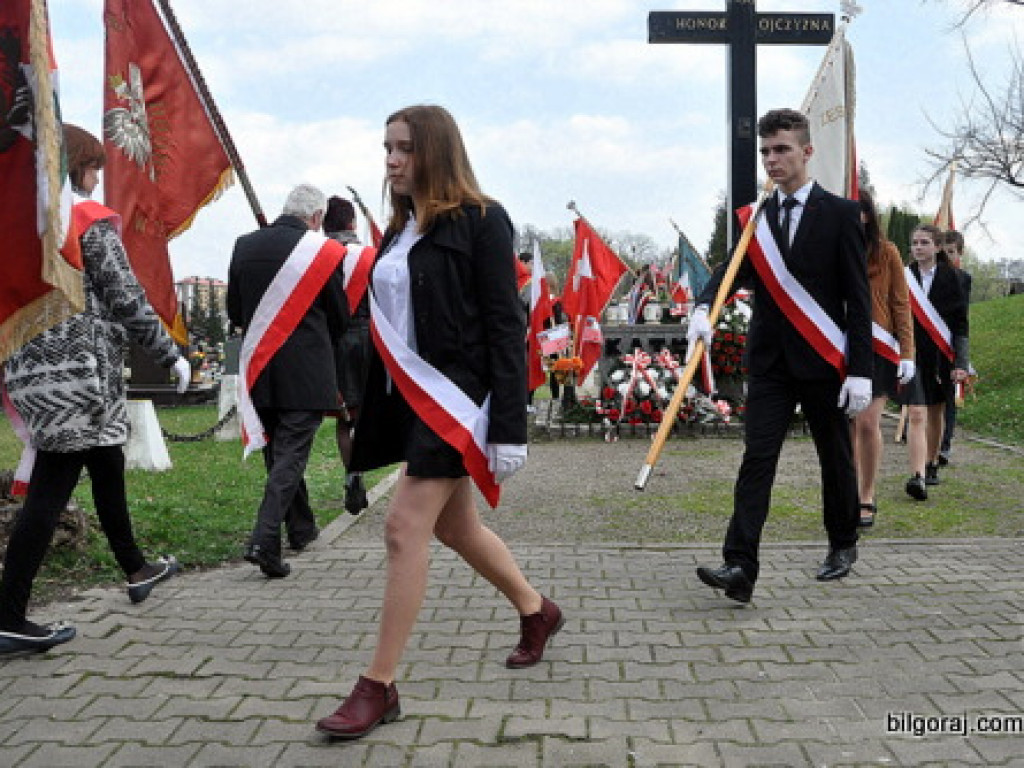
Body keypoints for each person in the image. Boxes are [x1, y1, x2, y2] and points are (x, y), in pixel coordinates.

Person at [315, 105, 563, 741]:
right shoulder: (398, 231)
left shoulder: (482, 221)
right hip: (410, 405)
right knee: (455, 529)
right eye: (387, 148)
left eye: (404, 148)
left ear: (436, 151)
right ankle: (537, 611)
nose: (391, 160)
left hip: (461, 406)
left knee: (402, 528)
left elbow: (507, 327)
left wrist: (510, 424)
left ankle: (379, 685)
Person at [0, 124, 190, 656]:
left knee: (107, 461)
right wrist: (168, 350)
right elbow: (125, 294)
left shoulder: (18, 225)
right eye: (94, 167)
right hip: (80, 374)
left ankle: (135, 567)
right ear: (76, 165)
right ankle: (9, 614)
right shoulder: (84, 219)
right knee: (51, 488)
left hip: (32, 372)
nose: (97, 177)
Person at [689, 108, 873, 604]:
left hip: (823, 361)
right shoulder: (757, 220)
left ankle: (843, 542)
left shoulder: (839, 214)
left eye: (782, 149)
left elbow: (859, 300)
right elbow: (730, 272)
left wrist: (860, 370)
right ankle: (740, 564)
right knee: (758, 458)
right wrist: (703, 308)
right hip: (770, 363)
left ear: (807, 152)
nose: (772, 159)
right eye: (766, 151)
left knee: (834, 458)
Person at [228, 184, 348, 577]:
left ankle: (300, 528)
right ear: (316, 218)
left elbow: (234, 309)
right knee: (291, 455)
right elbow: (339, 315)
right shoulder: (323, 252)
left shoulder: (244, 245)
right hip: (307, 369)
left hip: (260, 366)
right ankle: (265, 539)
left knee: (277, 452)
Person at [851, 191, 916, 527]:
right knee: (847, 425)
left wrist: (907, 352)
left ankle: (867, 495)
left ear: (869, 215)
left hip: (878, 348)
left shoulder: (887, 252)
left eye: (859, 211)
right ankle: (848, 491)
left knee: (866, 422)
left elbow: (900, 303)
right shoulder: (835, 248)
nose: (855, 218)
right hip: (842, 346)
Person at [899, 224, 969, 501]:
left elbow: (961, 325)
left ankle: (931, 462)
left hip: (941, 355)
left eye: (924, 242)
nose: (918, 247)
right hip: (912, 354)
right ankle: (916, 476)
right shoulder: (904, 276)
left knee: (936, 412)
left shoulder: (957, 278)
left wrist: (961, 363)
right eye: (914, 243)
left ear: (938, 247)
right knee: (917, 412)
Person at [323, 195, 373, 515]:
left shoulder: (316, 257)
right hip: (368, 339)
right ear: (352, 223)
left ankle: (353, 475)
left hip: (334, 342)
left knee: (345, 418)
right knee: (371, 413)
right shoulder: (369, 256)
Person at [938, 229, 973, 466]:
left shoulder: (963, 279)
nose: (948, 256)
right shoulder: (929, 276)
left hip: (950, 343)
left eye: (952, 252)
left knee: (949, 398)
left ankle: (945, 445)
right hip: (928, 343)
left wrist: (962, 360)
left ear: (959, 253)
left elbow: (962, 319)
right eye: (944, 251)